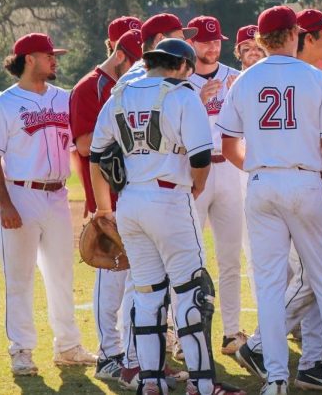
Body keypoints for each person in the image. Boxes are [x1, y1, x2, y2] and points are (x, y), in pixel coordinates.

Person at [217, 6, 322, 395]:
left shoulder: (244, 80)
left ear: (262, 39)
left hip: (262, 182)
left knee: (268, 286)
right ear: (295, 33)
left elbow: (228, 144)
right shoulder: (315, 78)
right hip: (304, 182)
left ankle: (277, 379)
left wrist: (260, 165)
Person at [89, 38, 245, 395]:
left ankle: (151, 381)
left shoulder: (119, 95)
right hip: (170, 197)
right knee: (193, 292)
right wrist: (194, 190)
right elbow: (201, 159)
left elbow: (97, 157)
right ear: (183, 66)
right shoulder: (182, 96)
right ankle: (202, 384)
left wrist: (103, 208)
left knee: (146, 294)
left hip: (130, 201)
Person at [0, 33, 98, 376]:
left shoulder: (65, 99)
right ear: (28, 59)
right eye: (49, 55)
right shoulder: (3, 104)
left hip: (58, 195)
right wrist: (5, 205)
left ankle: (68, 346)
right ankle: (21, 350)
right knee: (19, 279)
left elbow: (79, 150)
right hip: (21, 193)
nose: (55, 60)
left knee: (62, 274)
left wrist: (92, 199)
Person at [70, 29, 143, 381]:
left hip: (134, 199)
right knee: (110, 281)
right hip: (107, 202)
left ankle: (134, 355)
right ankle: (108, 356)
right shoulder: (89, 87)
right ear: (119, 56)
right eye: (134, 60)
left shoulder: (131, 86)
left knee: (135, 283)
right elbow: (85, 145)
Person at [185, 15, 249, 356]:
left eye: (216, 40)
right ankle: (187, 334)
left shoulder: (234, 80)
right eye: (205, 40)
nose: (212, 46)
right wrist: (197, 100)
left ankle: (231, 333)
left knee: (229, 257)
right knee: (187, 258)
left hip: (227, 171)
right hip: (194, 171)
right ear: (191, 43)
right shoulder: (180, 81)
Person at [117, 13, 198, 85]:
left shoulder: (167, 73)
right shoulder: (135, 78)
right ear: (160, 39)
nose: (183, 45)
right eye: (179, 40)